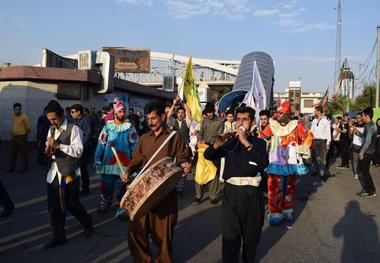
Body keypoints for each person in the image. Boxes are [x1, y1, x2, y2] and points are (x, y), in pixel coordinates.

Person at [126, 101, 191, 263]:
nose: (150, 122)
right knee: (136, 230)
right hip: (143, 191)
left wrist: (184, 164)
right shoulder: (144, 138)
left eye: (153, 118)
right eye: (148, 119)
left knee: (164, 234)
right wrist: (127, 171)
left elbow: (182, 156)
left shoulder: (174, 136)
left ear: (163, 117)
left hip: (165, 192)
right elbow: (137, 159)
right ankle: (143, 259)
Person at [204, 106, 268, 262]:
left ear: (252, 123)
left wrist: (246, 142)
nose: (240, 122)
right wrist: (218, 144)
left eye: (245, 119)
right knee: (230, 237)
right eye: (238, 119)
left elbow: (263, 162)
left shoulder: (259, 143)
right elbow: (208, 155)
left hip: (253, 195)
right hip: (231, 194)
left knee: (251, 237)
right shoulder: (229, 143)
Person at [43, 100, 93, 249]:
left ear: (61, 115)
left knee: (71, 204)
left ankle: (87, 222)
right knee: (54, 207)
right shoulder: (51, 130)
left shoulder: (74, 129)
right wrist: (48, 150)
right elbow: (49, 148)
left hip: (69, 172)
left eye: (54, 119)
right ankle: (58, 236)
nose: (52, 122)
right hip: (53, 173)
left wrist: (59, 145)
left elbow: (78, 151)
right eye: (50, 120)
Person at [260, 110, 310, 225]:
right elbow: (261, 138)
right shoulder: (271, 126)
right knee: (274, 187)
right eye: (279, 114)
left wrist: (302, 149)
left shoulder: (297, 126)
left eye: (283, 114)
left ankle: (287, 210)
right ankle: (276, 212)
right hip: (276, 162)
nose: (281, 117)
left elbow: (307, 137)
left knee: (289, 187)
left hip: (291, 163)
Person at [94, 98, 138, 214]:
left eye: (124, 111)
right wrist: (97, 159)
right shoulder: (107, 127)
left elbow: (135, 146)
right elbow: (100, 144)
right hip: (108, 162)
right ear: (114, 112)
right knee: (106, 185)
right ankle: (106, 200)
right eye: (120, 111)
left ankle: (122, 205)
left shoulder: (130, 128)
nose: (122, 113)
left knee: (123, 186)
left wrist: (136, 163)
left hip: (124, 163)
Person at [194, 102, 224, 205]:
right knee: (199, 172)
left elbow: (220, 137)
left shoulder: (220, 122)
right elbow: (200, 133)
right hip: (203, 149)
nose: (209, 115)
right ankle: (198, 196)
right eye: (207, 113)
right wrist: (199, 141)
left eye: (211, 112)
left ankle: (213, 196)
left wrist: (214, 145)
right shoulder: (204, 120)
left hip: (214, 149)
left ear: (214, 111)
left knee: (214, 173)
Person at [167, 97, 193, 196]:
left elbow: (189, 112)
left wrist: (182, 103)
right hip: (174, 149)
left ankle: (180, 189)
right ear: (176, 114)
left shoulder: (187, 122)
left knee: (184, 169)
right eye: (179, 113)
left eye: (182, 112)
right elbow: (168, 116)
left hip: (185, 150)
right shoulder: (173, 123)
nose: (181, 114)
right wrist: (174, 104)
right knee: (174, 168)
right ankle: (174, 186)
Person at [69, 104, 93, 196]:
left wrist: (80, 144)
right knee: (75, 169)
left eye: (73, 112)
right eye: (70, 112)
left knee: (83, 168)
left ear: (78, 112)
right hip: (75, 148)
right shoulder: (72, 121)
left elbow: (88, 134)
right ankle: (76, 188)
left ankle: (85, 189)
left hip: (85, 147)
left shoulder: (86, 120)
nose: (71, 114)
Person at [356, 108, 377, 197]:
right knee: (366, 171)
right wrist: (357, 133)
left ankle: (369, 191)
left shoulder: (369, 126)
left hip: (367, 152)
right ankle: (371, 190)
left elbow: (367, 141)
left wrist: (361, 153)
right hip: (369, 151)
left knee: (365, 172)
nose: (362, 118)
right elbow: (366, 138)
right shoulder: (372, 125)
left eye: (363, 116)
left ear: (367, 116)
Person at [6, 102, 30, 173]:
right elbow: (13, 125)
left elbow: (28, 127)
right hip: (14, 137)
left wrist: (24, 134)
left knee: (23, 153)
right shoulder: (14, 117)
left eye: (18, 109)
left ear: (21, 109)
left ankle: (25, 168)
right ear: (14, 110)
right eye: (16, 109)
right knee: (13, 153)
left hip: (22, 137)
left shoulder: (24, 116)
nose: (17, 111)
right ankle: (12, 167)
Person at [310, 106, 331, 181]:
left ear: (319, 111)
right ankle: (315, 170)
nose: (314, 112)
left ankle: (322, 173)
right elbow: (311, 132)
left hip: (322, 141)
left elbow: (328, 133)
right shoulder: (314, 121)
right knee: (314, 157)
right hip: (314, 140)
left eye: (315, 111)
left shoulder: (326, 121)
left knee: (322, 158)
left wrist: (328, 143)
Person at [350, 113, 364, 180]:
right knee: (355, 160)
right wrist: (351, 129)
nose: (357, 118)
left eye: (359, 117)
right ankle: (356, 173)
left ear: (362, 117)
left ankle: (361, 172)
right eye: (356, 117)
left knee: (361, 160)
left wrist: (356, 130)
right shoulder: (354, 125)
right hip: (355, 145)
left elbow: (364, 136)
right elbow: (350, 135)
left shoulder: (365, 125)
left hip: (363, 145)